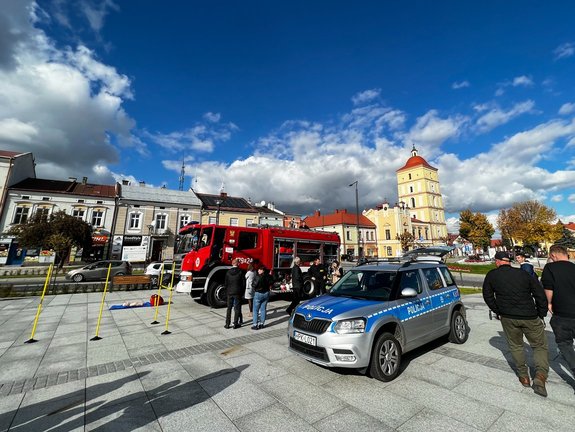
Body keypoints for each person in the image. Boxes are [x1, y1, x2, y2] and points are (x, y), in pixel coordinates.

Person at [482, 251, 549, 397]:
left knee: (516, 345)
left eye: (496, 261)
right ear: (509, 261)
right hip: (530, 315)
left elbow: (487, 296)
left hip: (508, 317)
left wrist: (498, 310)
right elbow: (539, 293)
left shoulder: (492, 275)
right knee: (539, 346)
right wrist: (541, 313)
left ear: (498, 261)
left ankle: (524, 376)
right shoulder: (523, 274)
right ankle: (540, 377)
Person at [541, 244, 575, 381]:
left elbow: (548, 288)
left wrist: (549, 303)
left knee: (565, 344)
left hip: (562, 314)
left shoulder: (550, 268)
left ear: (553, 255)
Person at [224, 258, 244, 329]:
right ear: (238, 263)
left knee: (229, 308)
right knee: (237, 308)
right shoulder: (240, 272)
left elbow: (226, 283)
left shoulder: (228, 272)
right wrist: (242, 292)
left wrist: (227, 291)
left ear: (232, 264)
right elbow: (243, 283)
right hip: (237, 292)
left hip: (229, 292)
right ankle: (235, 323)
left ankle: (227, 324)